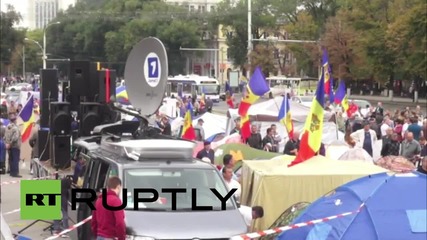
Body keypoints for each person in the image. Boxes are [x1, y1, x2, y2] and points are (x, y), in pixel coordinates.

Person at [4, 113, 21, 178]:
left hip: (8, 146)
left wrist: (7, 143)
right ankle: (15, 173)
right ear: (15, 120)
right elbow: (15, 137)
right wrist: (11, 143)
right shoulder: (15, 128)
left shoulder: (7, 127)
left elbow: (5, 137)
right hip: (15, 145)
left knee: (11, 159)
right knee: (15, 159)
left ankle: (11, 172)